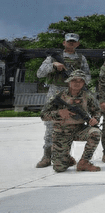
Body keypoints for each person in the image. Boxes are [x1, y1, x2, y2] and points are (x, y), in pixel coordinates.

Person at [35, 33, 90, 168]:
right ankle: (47, 156)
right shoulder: (52, 58)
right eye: (69, 42)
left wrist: (78, 81)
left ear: (77, 44)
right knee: (50, 124)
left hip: (73, 93)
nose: (71, 44)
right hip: (56, 93)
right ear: (64, 43)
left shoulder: (81, 58)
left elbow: (87, 77)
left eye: (73, 42)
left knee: (71, 124)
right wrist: (53, 65)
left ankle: (64, 155)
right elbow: (40, 73)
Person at [40, 70, 102, 172]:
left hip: (79, 129)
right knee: (59, 168)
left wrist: (95, 119)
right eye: (74, 80)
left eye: (80, 81)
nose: (77, 83)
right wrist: (59, 113)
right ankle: (66, 158)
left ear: (84, 83)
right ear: (69, 82)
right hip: (61, 132)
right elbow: (43, 115)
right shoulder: (58, 96)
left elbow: (97, 111)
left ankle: (84, 162)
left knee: (95, 133)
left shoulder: (88, 96)